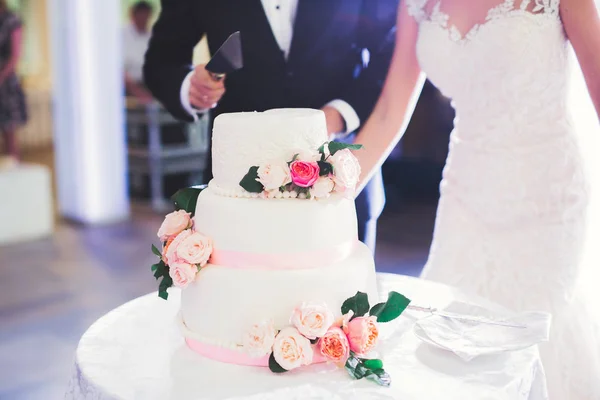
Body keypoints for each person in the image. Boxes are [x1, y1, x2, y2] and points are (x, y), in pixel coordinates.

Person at [352, 0, 600, 398]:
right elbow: (388, 113)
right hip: (466, 192)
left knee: (540, 331)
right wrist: (335, 190)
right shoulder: (416, 3)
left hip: (550, 196)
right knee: (450, 335)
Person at [143, 0, 398, 253]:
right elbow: (162, 62)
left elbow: (391, 50)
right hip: (237, 186)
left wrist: (340, 113)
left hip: (341, 169)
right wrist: (191, 87)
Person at [0, 0, 26, 165]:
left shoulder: (12, 20)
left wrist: (2, 76)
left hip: (7, 85)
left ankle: (15, 170)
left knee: (10, 133)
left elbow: (15, 55)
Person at [124, 1, 154, 104]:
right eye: (141, 15)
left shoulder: (151, 38)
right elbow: (119, 71)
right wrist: (138, 92)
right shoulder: (122, 36)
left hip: (148, 86)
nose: (144, 19)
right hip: (126, 88)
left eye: (146, 16)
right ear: (133, 14)